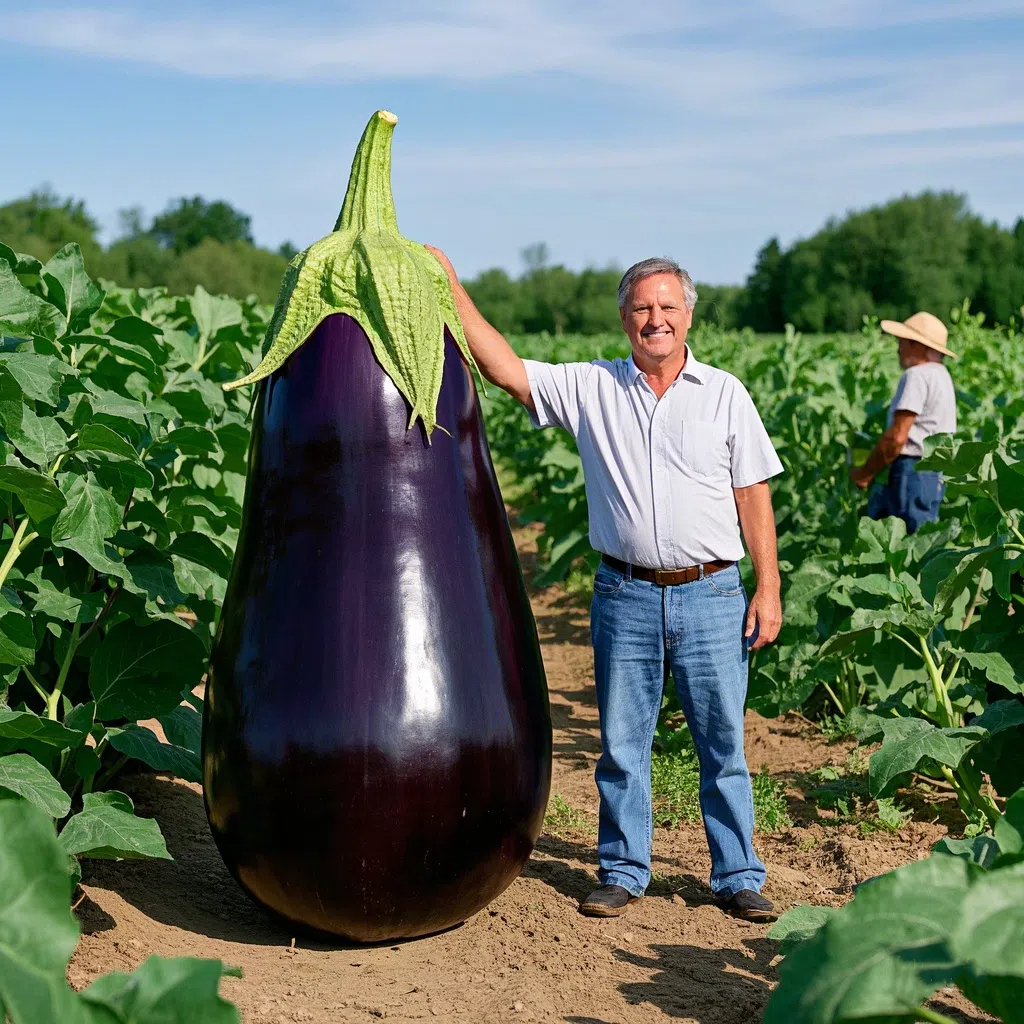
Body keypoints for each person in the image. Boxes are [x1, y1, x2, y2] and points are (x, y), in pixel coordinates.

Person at [427, 249, 784, 923]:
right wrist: (449, 285)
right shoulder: (592, 387)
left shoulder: (726, 394)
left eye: (668, 307)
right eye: (643, 308)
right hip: (625, 593)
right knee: (623, 742)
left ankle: (737, 875)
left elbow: (753, 491)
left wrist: (768, 585)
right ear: (624, 318)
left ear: (688, 315)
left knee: (722, 744)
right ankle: (623, 868)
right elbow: (505, 368)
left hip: (711, 592)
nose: (656, 319)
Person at [851, 312, 957, 533]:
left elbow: (897, 437)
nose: (898, 347)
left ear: (917, 345)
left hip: (911, 472)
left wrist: (864, 473)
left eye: (902, 341)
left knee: (903, 545)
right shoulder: (942, 375)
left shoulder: (916, 376)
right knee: (922, 546)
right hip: (935, 473)